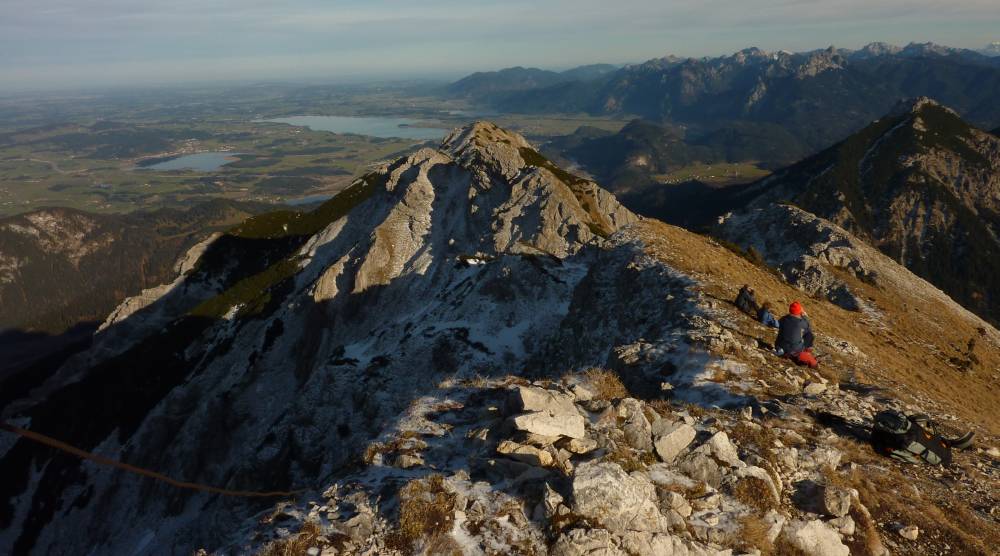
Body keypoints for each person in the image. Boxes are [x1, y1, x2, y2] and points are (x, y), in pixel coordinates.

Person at [776, 301, 817, 368]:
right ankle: (806, 353)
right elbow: (808, 329)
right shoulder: (802, 323)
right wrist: (805, 316)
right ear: (799, 311)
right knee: (809, 335)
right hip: (794, 350)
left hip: (780, 346)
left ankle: (802, 354)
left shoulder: (783, 319)